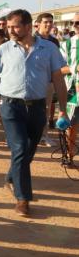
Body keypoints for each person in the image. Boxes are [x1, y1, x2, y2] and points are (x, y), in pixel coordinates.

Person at [0, 9, 68, 217]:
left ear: (29, 27)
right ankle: (23, 199)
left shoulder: (49, 49)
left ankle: (11, 177)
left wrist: (63, 110)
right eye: (8, 27)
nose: (10, 30)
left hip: (37, 107)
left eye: (15, 26)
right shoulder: (3, 49)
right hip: (10, 106)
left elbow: (58, 80)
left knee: (28, 150)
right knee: (19, 148)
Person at [35, 13, 61, 146]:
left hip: (49, 81)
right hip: (33, 80)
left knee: (45, 108)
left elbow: (56, 62)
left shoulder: (54, 41)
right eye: (45, 22)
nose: (48, 24)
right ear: (38, 24)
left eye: (51, 22)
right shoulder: (32, 39)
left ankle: (44, 136)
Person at [60, 14, 79, 164]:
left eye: (78, 22)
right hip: (73, 91)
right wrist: (75, 68)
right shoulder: (66, 44)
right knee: (71, 124)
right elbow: (59, 69)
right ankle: (69, 155)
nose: (76, 25)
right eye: (74, 23)